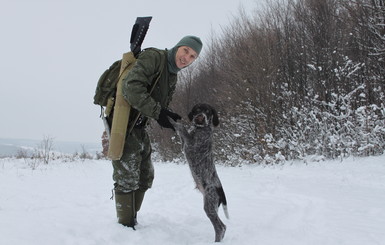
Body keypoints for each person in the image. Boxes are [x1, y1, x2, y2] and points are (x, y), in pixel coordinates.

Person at [111, 35, 203, 228]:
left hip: (139, 125)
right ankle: (124, 228)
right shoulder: (154, 58)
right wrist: (158, 112)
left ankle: (131, 219)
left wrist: (167, 118)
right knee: (127, 177)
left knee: (145, 175)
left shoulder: (172, 74)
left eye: (193, 56)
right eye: (185, 50)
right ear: (178, 46)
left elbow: (158, 105)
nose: (186, 57)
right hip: (123, 123)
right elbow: (131, 87)